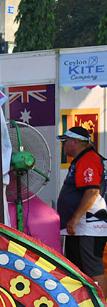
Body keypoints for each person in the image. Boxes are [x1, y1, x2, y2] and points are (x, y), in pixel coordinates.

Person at [56, 126, 107, 296]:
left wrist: (75, 218)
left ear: (74, 142)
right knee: (76, 268)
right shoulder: (82, 160)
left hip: (89, 224)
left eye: (65, 142)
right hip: (79, 227)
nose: (63, 146)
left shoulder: (88, 159)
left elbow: (92, 191)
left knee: (93, 268)